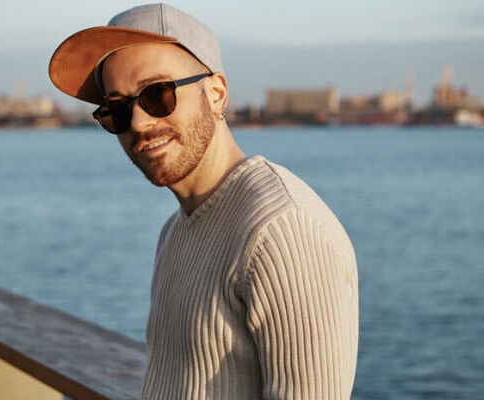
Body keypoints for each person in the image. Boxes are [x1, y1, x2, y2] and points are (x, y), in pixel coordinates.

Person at [49, 3, 359, 399]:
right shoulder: (176, 229)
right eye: (118, 109)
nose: (139, 123)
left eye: (157, 95)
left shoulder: (282, 229)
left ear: (216, 94)